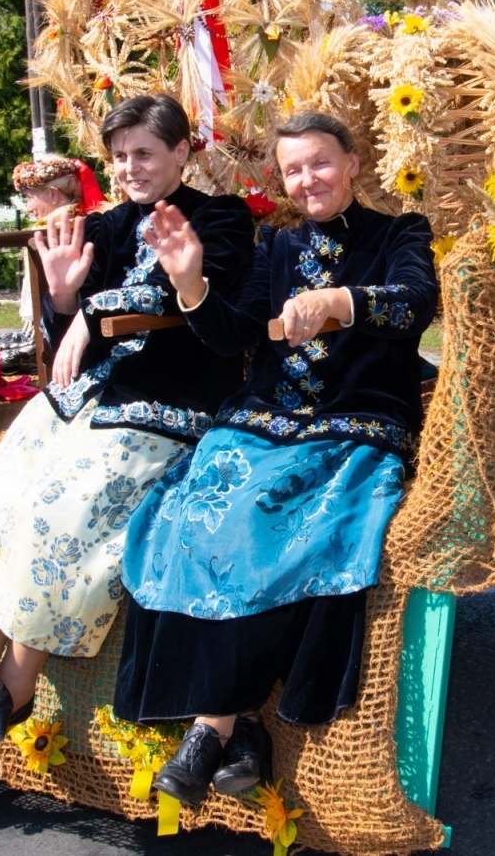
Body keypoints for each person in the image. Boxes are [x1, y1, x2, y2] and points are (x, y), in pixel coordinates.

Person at [0, 95, 256, 748]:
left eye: (145, 153)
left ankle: (15, 679)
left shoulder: (222, 219)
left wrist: (91, 311)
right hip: (84, 401)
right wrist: (64, 300)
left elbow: (195, 305)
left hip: (169, 403)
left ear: (182, 152)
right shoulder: (109, 226)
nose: (130, 168)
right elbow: (72, 338)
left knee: (59, 509)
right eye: (119, 157)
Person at [114, 111, 439, 805]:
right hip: (263, 419)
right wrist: (192, 281)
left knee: (270, 521)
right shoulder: (278, 246)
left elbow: (415, 302)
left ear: (352, 162)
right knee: (188, 509)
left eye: (320, 162)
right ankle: (245, 730)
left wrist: (341, 299)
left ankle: (209, 729)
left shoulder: (398, 232)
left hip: (355, 422)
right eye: (293, 169)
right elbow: (234, 337)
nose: (307, 179)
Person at [0, 155, 107, 375]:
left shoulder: (66, 229)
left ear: (52, 195)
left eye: (30, 198)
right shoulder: (83, 222)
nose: (28, 208)